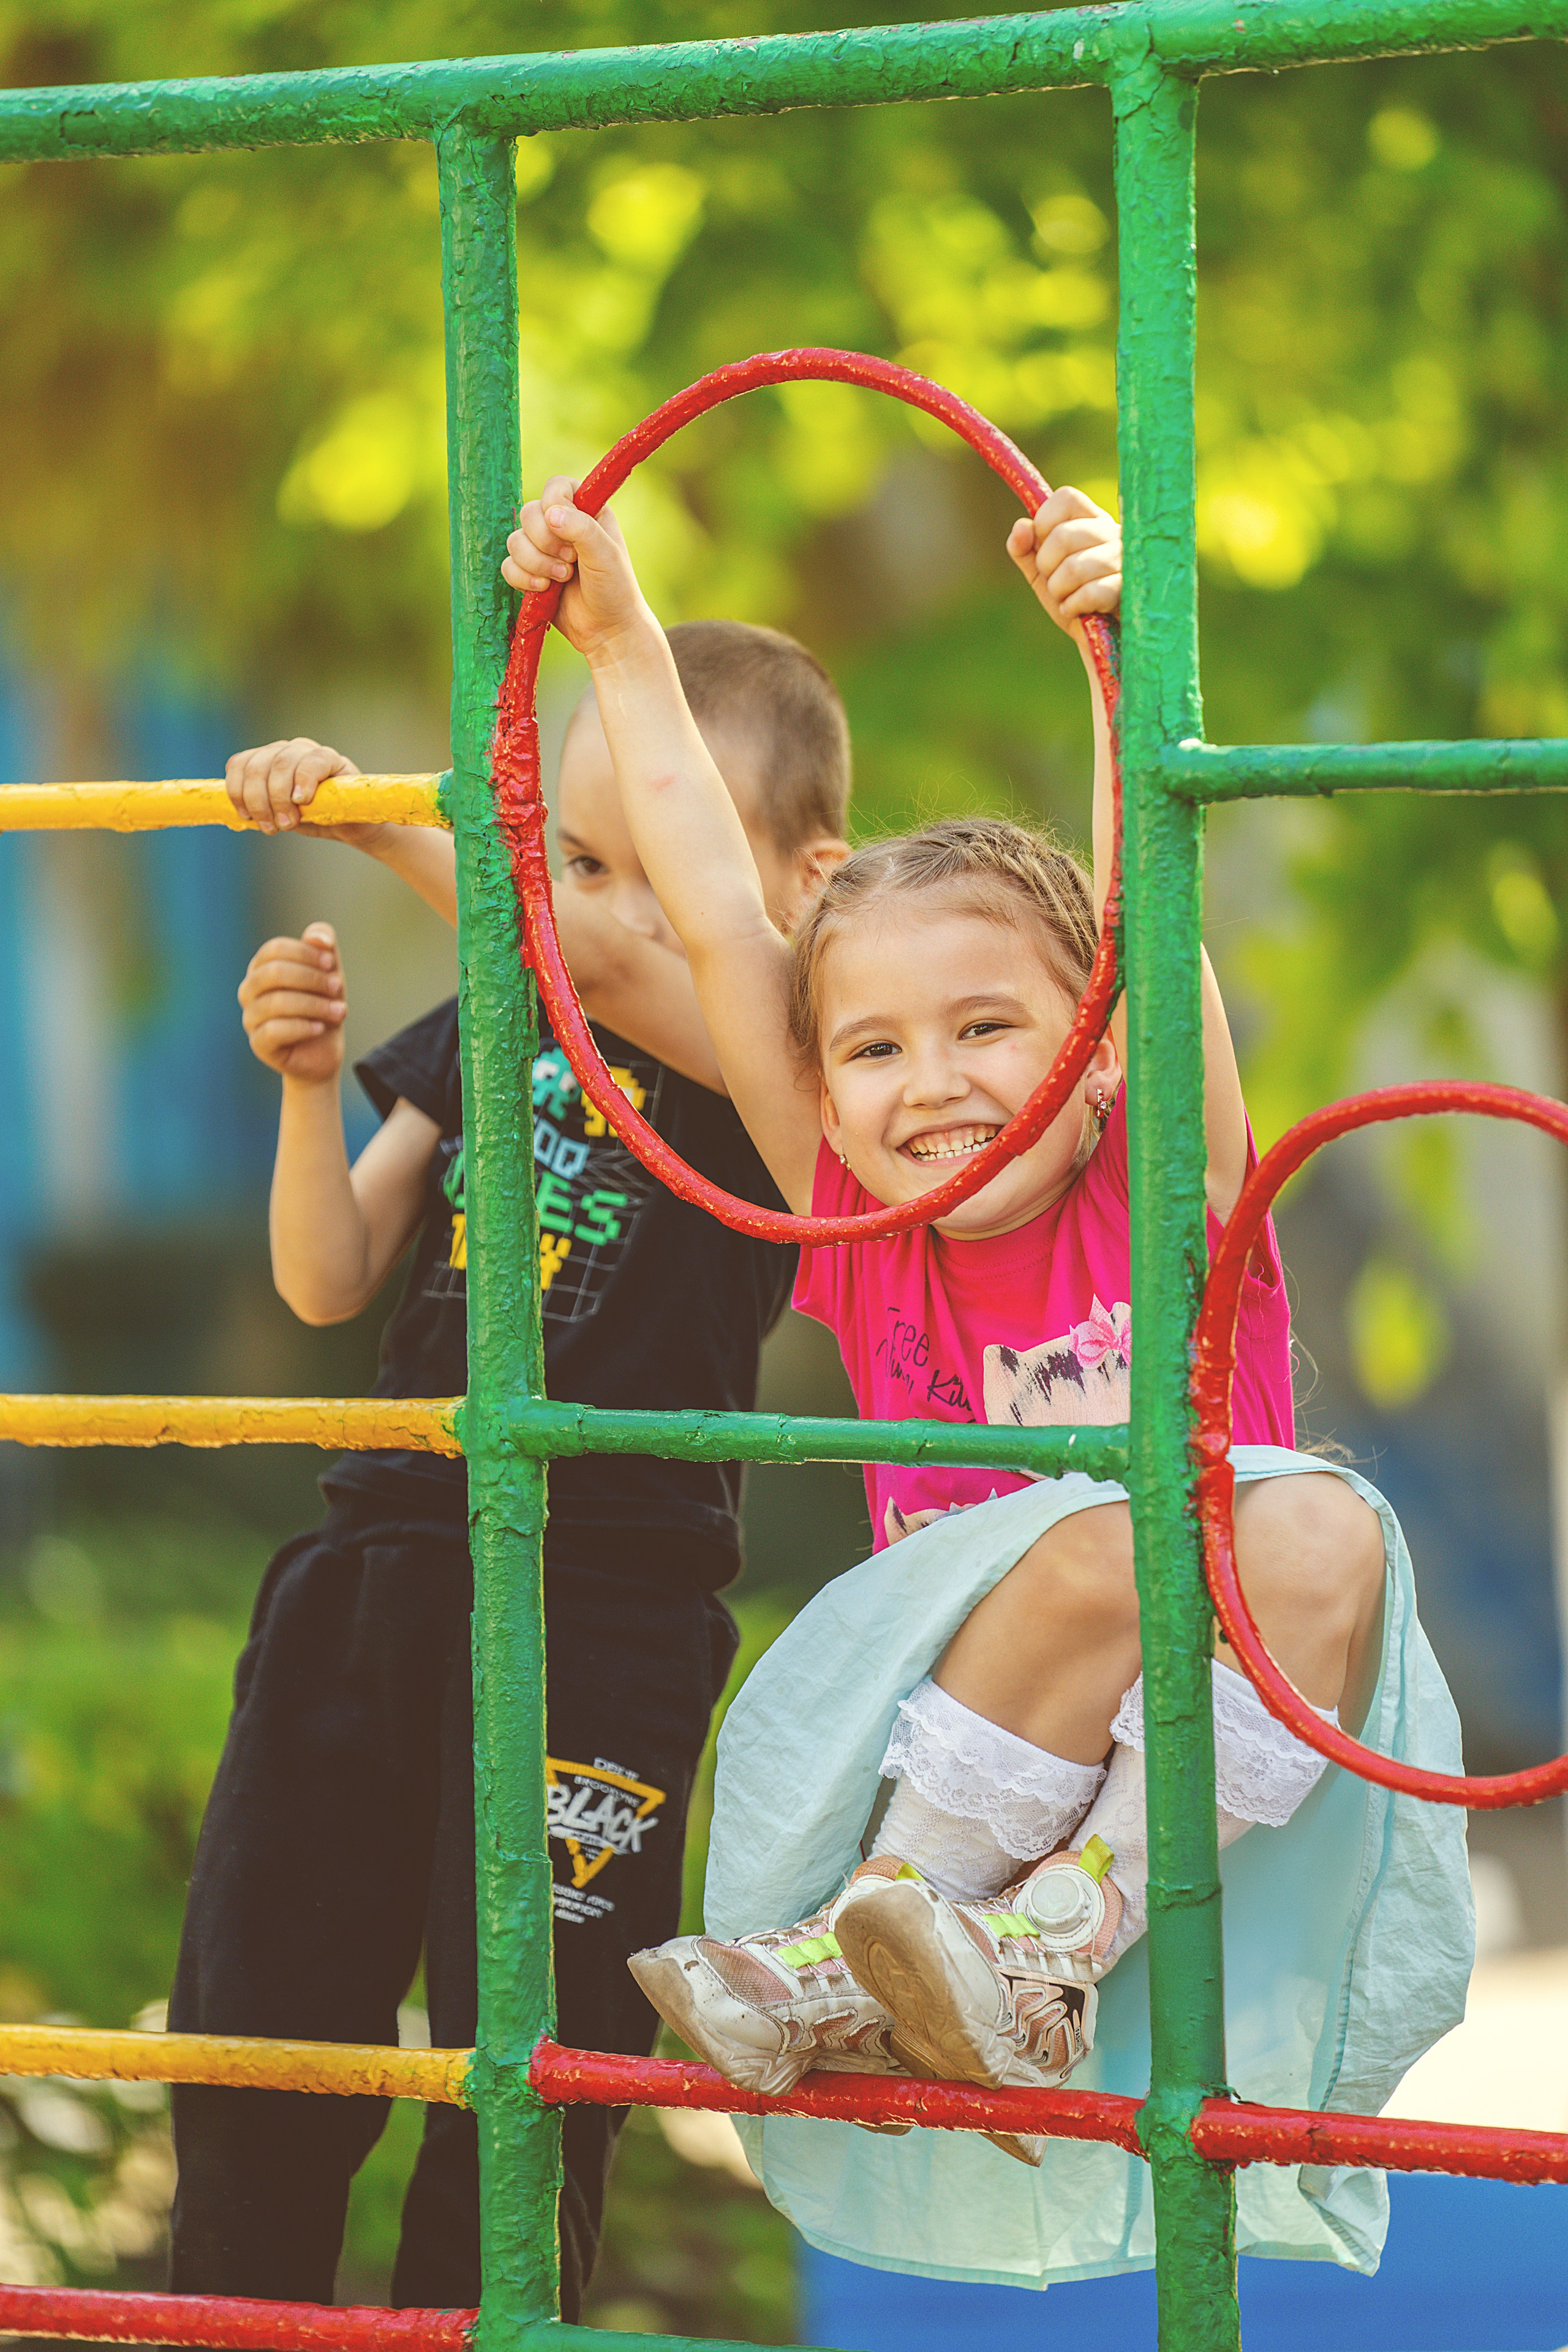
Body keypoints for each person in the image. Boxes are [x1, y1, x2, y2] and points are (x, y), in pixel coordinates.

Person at [498, 481, 1473, 2286]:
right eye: (872, 1047)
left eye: (987, 1028)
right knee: (1105, 1538)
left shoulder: (1165, 1189)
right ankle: (884, 1922)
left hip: (1183, 1747)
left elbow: (1150, 903)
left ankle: (1040, 1947)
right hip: (954, 1708)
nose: (929, 1082)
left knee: (1326, 1524)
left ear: (1097, 1053)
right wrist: (621, 636)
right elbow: (714, 910)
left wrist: (1116, 661)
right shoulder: (861, 1221)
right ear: (823, 1087)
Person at [165, 620, 850, 2319]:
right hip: (376, 1561)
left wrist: (385, 821)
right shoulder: (498, 1002)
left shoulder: (788, 1070)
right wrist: (306, 1089)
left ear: (800, 884)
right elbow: (327, 1277)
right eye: (570, 858)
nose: (597, 909)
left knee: (534, 2071)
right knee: (260, 2023)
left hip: (601, 1603)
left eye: (656, 870)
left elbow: (601, 964)